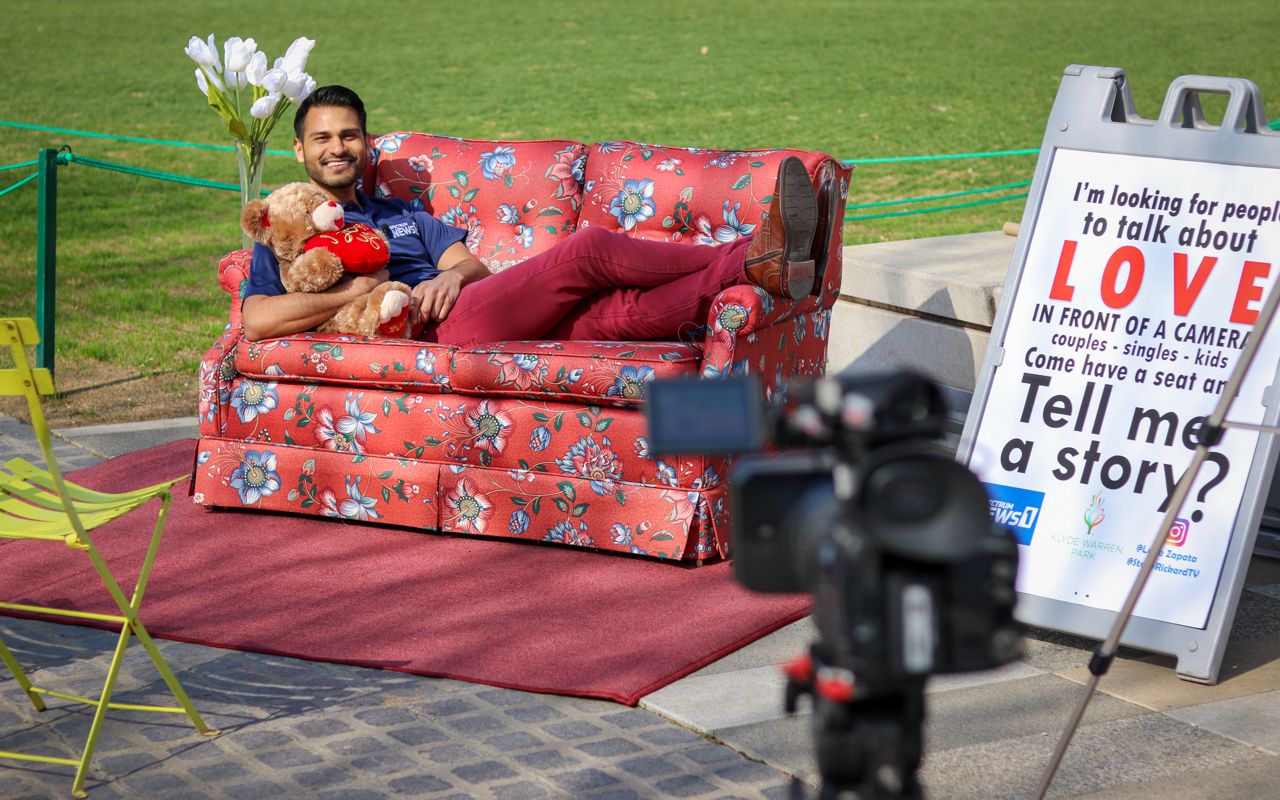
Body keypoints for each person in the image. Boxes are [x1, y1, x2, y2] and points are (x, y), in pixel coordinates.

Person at [241, 85, 832, 346]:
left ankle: (762, 270)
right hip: (433, 334)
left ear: (366, 142)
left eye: (348, 135)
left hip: (473, 305)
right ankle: (754, 250)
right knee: (590, 250)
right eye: (322, 138)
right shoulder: (285, 232)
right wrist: (360, 291)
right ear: (300, 150)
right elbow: (258, 320)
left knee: (619, 315)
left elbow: (470, 267)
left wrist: (452, 275)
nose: (336, 148)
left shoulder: (403, 213)